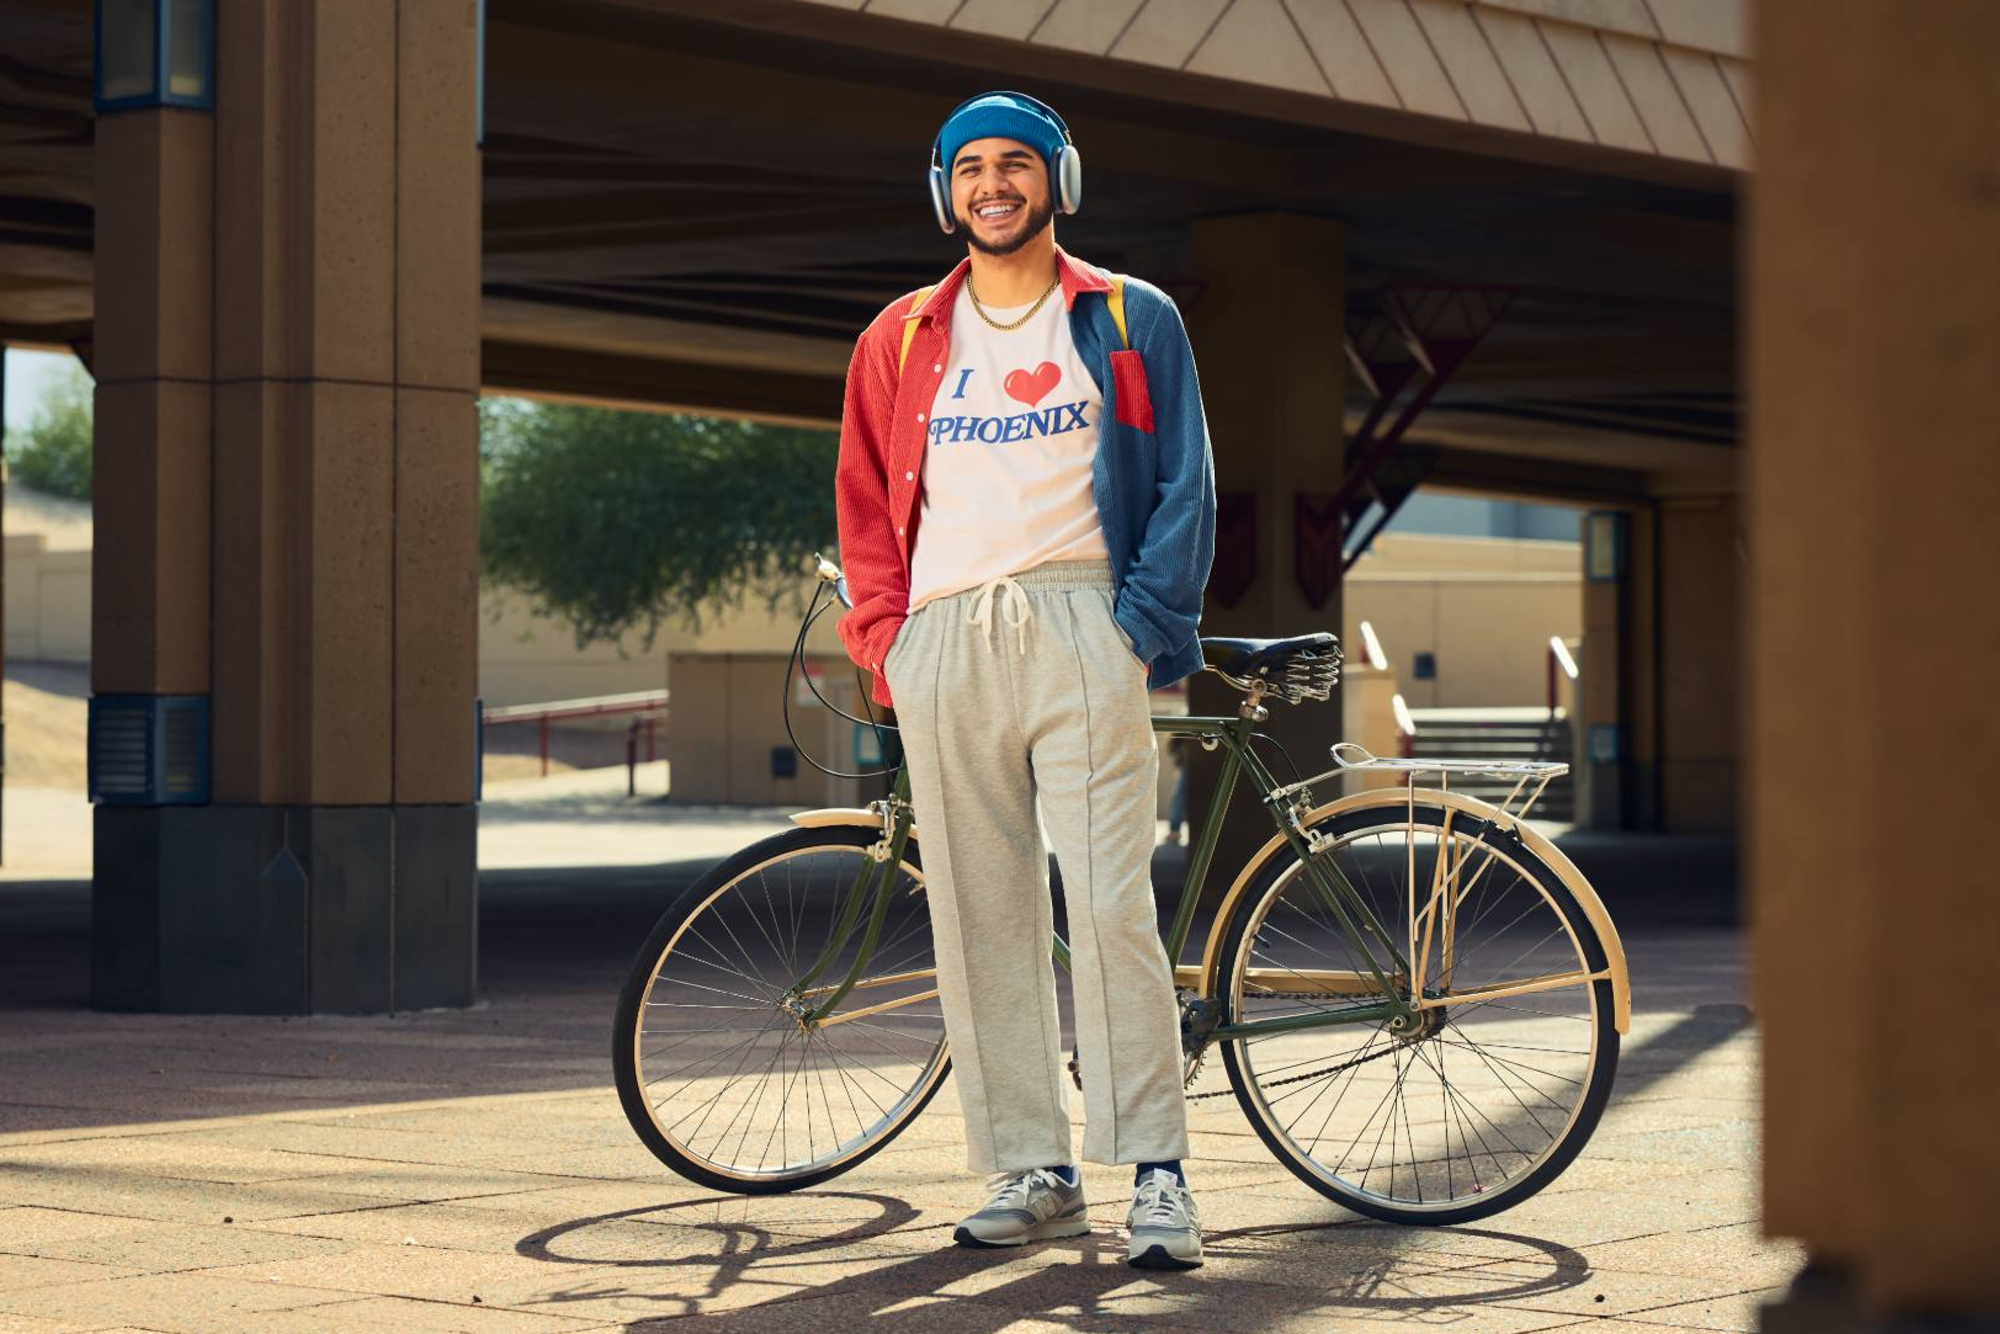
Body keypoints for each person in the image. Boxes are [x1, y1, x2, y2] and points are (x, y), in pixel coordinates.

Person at [833, 91, 1217, 1271]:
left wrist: (1136, 632)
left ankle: (1157, 1168)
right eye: (969, 168)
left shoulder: (1126, 317)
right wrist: (888, 638)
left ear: (1058, 179)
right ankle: (1031, 1166)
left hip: (1079, 622)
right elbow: (862, 500)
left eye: (1015, 165)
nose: (991, 185)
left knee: (1108, 905)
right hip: (944, 638)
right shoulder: (895, 338)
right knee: (977, 912)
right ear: (942, 189)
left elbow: (1183, 487)